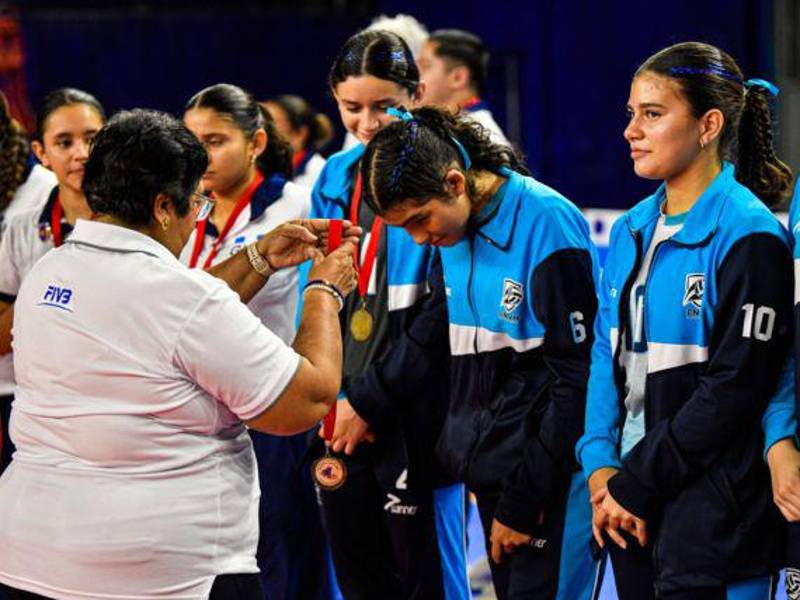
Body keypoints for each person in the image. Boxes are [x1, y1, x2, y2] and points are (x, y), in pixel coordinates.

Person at [0, 108, 359, 600]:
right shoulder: (179, 298)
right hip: (165, 575)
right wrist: (323, 291)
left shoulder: (49, 271)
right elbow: (306, 401)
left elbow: (169, 319)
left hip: (29, 558)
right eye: (196, 203)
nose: (197, 219)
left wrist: (260, 258)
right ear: (165, 206)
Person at [576, 41, 795, 599]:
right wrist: (600, 464)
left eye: (652, 114)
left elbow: (734, 388)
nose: (631, 130)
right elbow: (605, 353)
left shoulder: (751, 236)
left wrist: (636, 483)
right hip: (626, 507)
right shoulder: (630, 229)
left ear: (708, 125)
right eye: (631, 113)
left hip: (713, 522)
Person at [360, 105, 599, 600]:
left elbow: (577, 378)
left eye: (420, 220)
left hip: (548, 484)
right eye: (405, 229)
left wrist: (525, 498)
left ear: (454, 181)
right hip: (494, 475)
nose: (420, 239)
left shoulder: (547, 222)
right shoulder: (453, 228)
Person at [304, 29, 470, 600]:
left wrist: (369, 402)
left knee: (431, 582)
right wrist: (331, 397)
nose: (368, 122)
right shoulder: (335, 176)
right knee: (360, 580)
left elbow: (443, 314)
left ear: (417, 94)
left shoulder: (445, 169)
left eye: (384, 105)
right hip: (342, 406)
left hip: (417, 412)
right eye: (352, 108)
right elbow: (316, 293)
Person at [182, 83, 326, 600]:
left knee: (282, 545)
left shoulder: (296, 205)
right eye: (193, 142)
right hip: (201, 407)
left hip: (274, 404)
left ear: (256, 143)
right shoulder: (184, 211)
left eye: (216, 141)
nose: (202, 156)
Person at [0, 88, 102, 476]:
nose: (82, 153)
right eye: (64, 142)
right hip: (38, 406)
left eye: (92, 138)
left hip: (113, 406)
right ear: (41, 153)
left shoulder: (142, 220)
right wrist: (44, 300)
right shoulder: (22, 225)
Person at [417, 29, 509, 145]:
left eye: (424, 66)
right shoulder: (451, 129)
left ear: (458, 77)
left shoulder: (484, 139)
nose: (415, 76)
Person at [262, 94, 334, 189]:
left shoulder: (322, 175)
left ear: (300, 134)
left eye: (271, 124)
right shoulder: (257, 169)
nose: (261, 131)